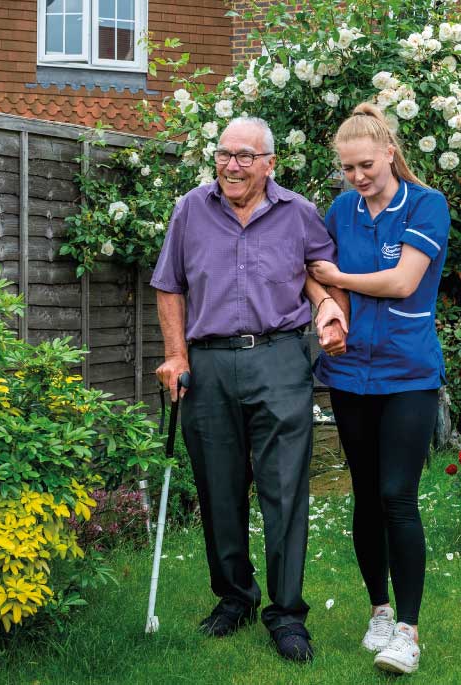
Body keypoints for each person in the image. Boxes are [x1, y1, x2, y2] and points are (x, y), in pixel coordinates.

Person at [150, 116, 349, 663]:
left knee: (284, 490)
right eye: (224, 154)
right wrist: (175, 354)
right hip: (209, 364)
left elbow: (324, 273)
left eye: (244, 156)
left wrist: (331, 310)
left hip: (280, 358)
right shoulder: (191, 208)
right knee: (219, 488)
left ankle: (286, 614)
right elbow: (169, 286)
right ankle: (234, 597)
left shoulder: (299, 214)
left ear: (269, 164)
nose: (232, 166)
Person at [306, 103, 450, 675]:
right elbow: (310, 268)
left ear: (389, 152)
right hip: (348, 375)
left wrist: (336, 280)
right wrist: (327, 310)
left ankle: (410, 633)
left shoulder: (427, 204)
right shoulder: (341, 211)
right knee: (365, 495)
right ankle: (380, 611)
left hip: (408, 373)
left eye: (366, 164)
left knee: (397, 495)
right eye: (348, 169)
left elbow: (402, 281)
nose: (358, 177)